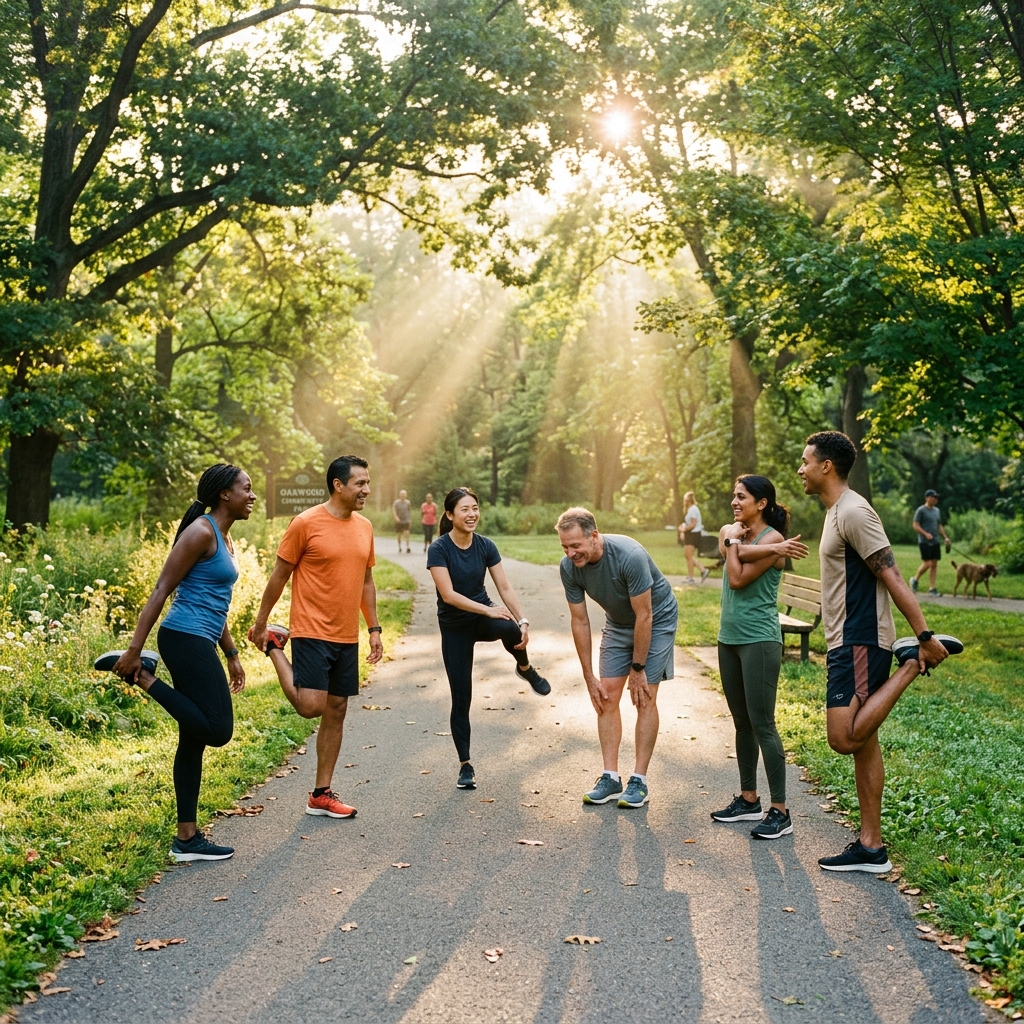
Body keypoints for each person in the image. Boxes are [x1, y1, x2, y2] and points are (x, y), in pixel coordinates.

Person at [798, 431, 962, 873]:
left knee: (843, 738)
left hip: (859, 638)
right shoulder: (836, 511)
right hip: (846, 638)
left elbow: (891, 574)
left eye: (806, 461)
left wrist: (923, 635)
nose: (801, 469)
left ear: (827, 466)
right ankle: (871, 846)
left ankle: (911, 664)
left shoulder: (854, 511)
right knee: (864, 742)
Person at [94, 464, 255, 862]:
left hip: (201, 638)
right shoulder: (200, 532)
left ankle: (187, 838)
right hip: (184, 639)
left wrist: (232, 653)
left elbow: (215, 603)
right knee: (218, 730)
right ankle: (143, 677)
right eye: (247, 488)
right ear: (225, 494)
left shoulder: (224, 537)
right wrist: (134, 649)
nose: (253, 496)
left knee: (193, 738)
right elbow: (162, 589)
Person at [248, 456, 383, 820]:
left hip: (346, 634)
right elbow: (279, 576)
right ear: (338, 485)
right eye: (360, 483)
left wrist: (373, 629)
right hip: (310, 629)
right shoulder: (305, 523)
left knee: (337, 709)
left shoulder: (365, 527)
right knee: (311, 707)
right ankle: (273, 646)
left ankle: (321, 795)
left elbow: (366, 581)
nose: (366, 490)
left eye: (367, 483)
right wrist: (261, 623)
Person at [427, 487, 550, 790]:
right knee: (461, 696)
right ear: (450, 515)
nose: (472, 514)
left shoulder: (485, 545)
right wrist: (488, 609)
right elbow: (449, 595)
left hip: (482, 618)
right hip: (455, 627)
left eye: (475, 508)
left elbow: (504, 587)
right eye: (465, 509)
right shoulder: (439, 549)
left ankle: (525, 668)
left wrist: (522, 619)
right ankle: (465, 765)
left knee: (511, 627)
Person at [557, 507, 679, 809]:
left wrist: (638, 668)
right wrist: (588, 676)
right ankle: (611, 778)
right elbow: (580, 621)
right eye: (565, 547)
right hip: (618, 623)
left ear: (594, 536)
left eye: (576, 545)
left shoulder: (628, 556)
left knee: (644, 696)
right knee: (606, 696)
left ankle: (639, 780)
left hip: (657, 619)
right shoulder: (569, 567)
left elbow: (645, 615)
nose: (571, 553)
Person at [710, 476, 809, 840]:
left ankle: (780, 811)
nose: (734, 502)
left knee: (763, 723)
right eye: (734, 496)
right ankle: (748, 799)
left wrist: (741, 546)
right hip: (728, 638)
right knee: (742, 723)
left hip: (759, 640)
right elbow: (731, 550)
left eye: (742, 497)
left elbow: (736, 577)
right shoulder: (733, 532)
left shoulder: (772, 538)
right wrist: (736, 542)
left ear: (762, 503)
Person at [910, 489, 950, 596]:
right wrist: (925, 534)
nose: (935, 499)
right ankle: (915, 579)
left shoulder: (937, 511)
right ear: (927, 498)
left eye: (936, 497)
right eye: (933, 497)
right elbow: (915, 525)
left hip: (935, 541)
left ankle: (932, 588)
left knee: (934, 565)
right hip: (924, 541)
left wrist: (945, 537)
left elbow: (939, 525)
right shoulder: (921, 510)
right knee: (928, 563)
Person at [678, 491, 711, 584]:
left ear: (690, 500)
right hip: (690, 534)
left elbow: (693, 524)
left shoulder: (693, 509)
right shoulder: (690, 509)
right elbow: (688, 523)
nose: (685, 502)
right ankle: (701, 571)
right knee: (688, 555)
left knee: (688, 556)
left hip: (694, 534)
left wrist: (684, 529)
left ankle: (692, 577)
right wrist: (683, 528)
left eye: (686, 500)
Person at [393, 489, 412, 553]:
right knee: (399, 535)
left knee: (407, 534)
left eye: (404, 494)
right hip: (399, 521)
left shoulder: (408, 502)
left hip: (406, 520)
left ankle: (408, 547)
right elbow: (394, 510)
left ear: (406, 495)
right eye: (402, 494)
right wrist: (396, 517)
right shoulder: (396, 503)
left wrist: (410, 520)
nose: (403, 495)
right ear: (400, 495)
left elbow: (409, 511)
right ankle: (399, 547)